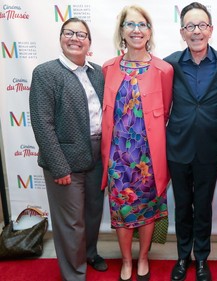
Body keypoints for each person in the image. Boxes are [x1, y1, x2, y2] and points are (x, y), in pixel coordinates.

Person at [29, 17, 107, 281]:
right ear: (61, 38)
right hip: (64, 160)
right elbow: (42, 123)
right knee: (71, 223)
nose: (75, 38)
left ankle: (90, 253)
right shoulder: (46, 73)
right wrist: (58, 166)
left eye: (81, 34)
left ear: (89, 43)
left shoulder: (97, 73)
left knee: (93, 213)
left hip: (97, 156)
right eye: (69, 33)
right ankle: (74, 274)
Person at [100, 5, 174, 281]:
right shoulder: (108, 68)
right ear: (121, 31)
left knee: (148, 208)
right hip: (117, 158)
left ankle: (143, 257)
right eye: (130, 25)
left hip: (149, 158)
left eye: (142, 25)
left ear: (149, 31)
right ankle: (126, 261)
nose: (136, 30)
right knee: (121, 210)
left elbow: (166, 111)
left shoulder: (163, 69)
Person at [164, 2, 217, 281]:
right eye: (190, 26)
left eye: (202, 25)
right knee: (182, 205)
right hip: (177, 147)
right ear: (182, 32)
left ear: (211, 30)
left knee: (203, 205)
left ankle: (202, 258)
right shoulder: (169, 64)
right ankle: (183, 256)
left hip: (209, 148)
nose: (196, 31)